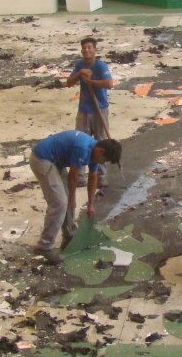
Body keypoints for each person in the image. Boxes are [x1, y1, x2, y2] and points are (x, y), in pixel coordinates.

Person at [29, 130, 122, 263]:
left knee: (66, 201)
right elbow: (73, 177)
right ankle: (44, 246)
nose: (103, 163)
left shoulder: (95, 151)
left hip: (56, 162)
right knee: (60, 203)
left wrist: (91, 205)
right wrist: (72, 199)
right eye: (105, 160)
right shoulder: (83, 148)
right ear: (101, 151)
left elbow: (92, 178)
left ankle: (69, 236)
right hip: (42, 159)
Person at [66, 37, 114, 186]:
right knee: (80, 142)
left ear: (94, 50)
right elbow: (68, 82)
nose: (86, 50)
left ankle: (101, 176)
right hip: (84, 109)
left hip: (100, 109)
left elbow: (109, 84)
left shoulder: (100, 66)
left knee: (100, 142)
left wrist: (91, 82)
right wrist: (80, 75)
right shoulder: (80, 65)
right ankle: (80, 176)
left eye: (89, 48)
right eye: (84, 48)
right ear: (81, 51)